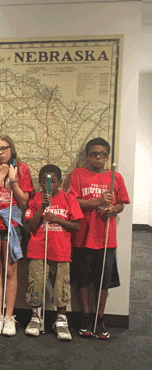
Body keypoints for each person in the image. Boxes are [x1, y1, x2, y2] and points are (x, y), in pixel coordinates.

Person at [68, 137, 130, 339]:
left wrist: (113, 208)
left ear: (107, 157)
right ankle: (86, 317)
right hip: (82, 237)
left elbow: (122, 203)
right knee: (83, 281)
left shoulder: (116, 177)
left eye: (102, 154)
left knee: (103, 282)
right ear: (87, 155)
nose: (98, 157)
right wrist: (98, 201)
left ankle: (100, 318)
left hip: (106, 238)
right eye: (94, 153)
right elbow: (74, 202)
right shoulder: (78, 174)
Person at [0, 135, 33, 336]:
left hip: (12, 222)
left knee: (11, 271)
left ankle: (9, 317)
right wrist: (1, 175)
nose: (0, 152)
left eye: (4, 148)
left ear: (11, 148)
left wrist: (12, 179)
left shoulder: (23, 169)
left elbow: (23, 200)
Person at [24, 164, 83, 341]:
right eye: (43, 181)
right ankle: (36, 318)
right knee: (36, 284)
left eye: (52, 181)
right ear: (40, 182)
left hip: (61, 251)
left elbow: (77, 226)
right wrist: (42, 208)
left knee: (61, 287)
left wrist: (56, 219)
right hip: (38, 250)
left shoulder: (68, 199)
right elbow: (29, 226)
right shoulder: (35, 199)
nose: (47, 185)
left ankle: (61, 320)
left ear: (60, 182)